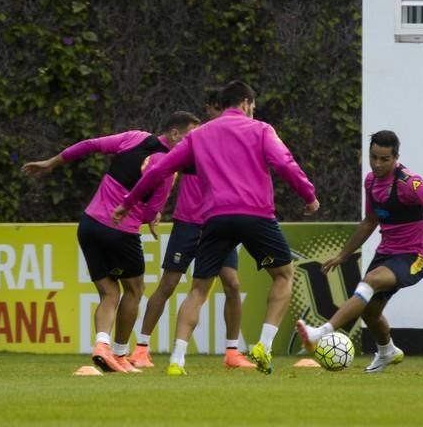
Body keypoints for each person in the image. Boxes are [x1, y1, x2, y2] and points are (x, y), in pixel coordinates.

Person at [113, 80, 320, 375]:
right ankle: (264, 343)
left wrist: (129, 200)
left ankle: (176, 360)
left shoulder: (200, 135)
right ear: (247, 103)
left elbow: (160, 169)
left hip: (214, 219)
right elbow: (285, 164)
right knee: (284, 275)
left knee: (198, 288)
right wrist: (309, 196)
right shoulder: (261, 129)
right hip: (256, 215)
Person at [296, 130, 423, 373]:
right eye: (374, 157)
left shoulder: (410, 184)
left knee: (369, 281)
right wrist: (343, 255)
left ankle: (322, 332)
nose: (378, 164)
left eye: (385, 159)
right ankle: (387, 352)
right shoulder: (370, 181)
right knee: (370, 313)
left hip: (413, 257)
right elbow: (370, 222)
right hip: (386, 254)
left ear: (396, 158)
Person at [22, 111, 200, 373]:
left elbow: (89, 145)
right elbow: (150, 212)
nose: (193, 144)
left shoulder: (134, 137)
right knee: (135, 290)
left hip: (89, 225)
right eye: (190, 137)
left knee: (109, 292)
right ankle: (119, 353)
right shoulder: (168, 168)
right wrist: (154, 215)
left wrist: (52, 162)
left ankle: (101, 346)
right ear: (174, 135)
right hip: (120, 231)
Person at [127, 89, 255, 370]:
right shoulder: (195, 140)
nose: (220, 113)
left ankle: (232, 353)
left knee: (232, 284)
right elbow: (165, 168)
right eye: (216, 107)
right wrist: (151, 206)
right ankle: (141, 349)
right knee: (169, 285)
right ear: (210, 107)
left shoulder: (227, 139)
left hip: (217, 223)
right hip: (187, 224)